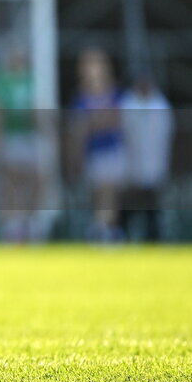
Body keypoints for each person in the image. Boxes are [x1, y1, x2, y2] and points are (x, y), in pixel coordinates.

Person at [0, 46, 49, 243]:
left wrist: (46, 133)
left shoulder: (32, 81)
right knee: (10, 181)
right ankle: (11, 227)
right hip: (9, 137)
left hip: (29, 137)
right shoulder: (0, 83)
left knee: (36, 179)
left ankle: (32, 223)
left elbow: (39, 111)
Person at [68, 47, 126, 242]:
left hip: (112, 149)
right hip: (92, 152)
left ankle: (105, 229)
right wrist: (75, 158)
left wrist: (93, 123)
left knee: (110, 191)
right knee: (101, 193)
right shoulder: (81, 97)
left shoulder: (115, 92)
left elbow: (117, 119)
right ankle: (102, 229)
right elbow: (78, 129)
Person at [118, 73, 174, 241]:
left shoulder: (161, 106)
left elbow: (162, 140)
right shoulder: (126, 104)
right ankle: (122, 239)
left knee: (152, 211)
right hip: (129, 169)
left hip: (153, 170)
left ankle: (154, 239)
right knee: (127, 210)